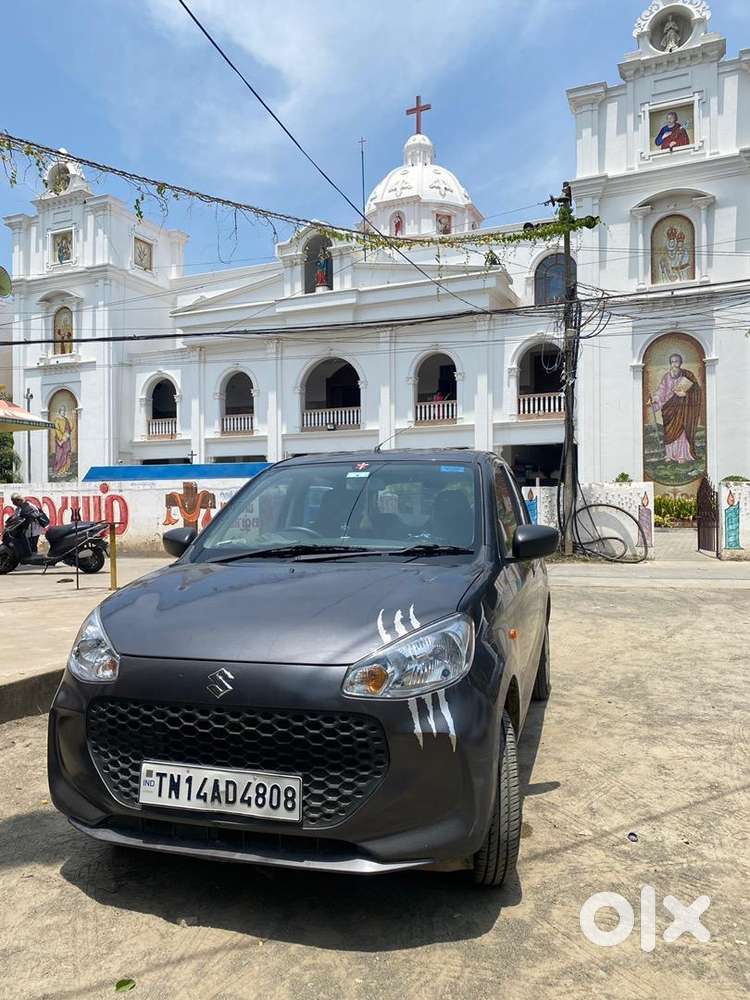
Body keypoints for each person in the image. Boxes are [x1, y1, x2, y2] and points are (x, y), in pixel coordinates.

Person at [647, 353, 701, 464]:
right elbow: (661, 391)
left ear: (680, 363)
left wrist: (686, 394)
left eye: (676, 361)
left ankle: (682, 455)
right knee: (669, 432)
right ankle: (669, 455)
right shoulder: (667, 377)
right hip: (669, 408)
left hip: (683, 409)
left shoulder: (688, 375)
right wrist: (655, 399)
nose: (674, 364)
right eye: (672, 361)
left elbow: (696, 390)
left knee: (681, 431)